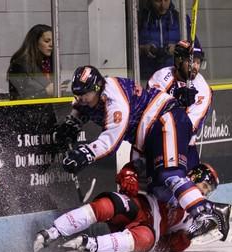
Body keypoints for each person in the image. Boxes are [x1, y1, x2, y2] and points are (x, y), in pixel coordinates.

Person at [55, 65, 217, 229]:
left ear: (97, 88)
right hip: (148, 134)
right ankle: (175, 225)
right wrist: (72, 123)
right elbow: (81, 106)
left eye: (84, 94)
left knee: (170, 174)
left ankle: (206, 212)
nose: (81, 98)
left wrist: (85, 154)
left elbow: (111, 141)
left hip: (164, 121)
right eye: (78, 94)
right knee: (154, 189)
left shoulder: (115, 102)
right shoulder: (92, 95)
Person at [33, 163, 232, 252]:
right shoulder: (172, 175)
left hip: (149, 231)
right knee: (106, 206)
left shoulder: (193, 217)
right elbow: (136, 167)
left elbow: (168, 245)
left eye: (208, 191)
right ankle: (54, 231)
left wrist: (185, 239)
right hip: (140, 206)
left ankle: (90, 244)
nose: (204, 193)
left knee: (145, 240)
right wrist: (128, 174)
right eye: (204, 187)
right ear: (194, 177)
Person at [147, 40, 212, 170]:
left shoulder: (203, 88)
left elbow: (190, 127)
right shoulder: (160, 77)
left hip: (186, 147)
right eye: (191, 61)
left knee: (190, 186)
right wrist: (176, 102)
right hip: (158, 142)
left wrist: (181, 109)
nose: (195, 67)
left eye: (198, 62)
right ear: (178, 61)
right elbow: (150, 113)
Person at [7, 24, 55, 99]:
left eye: (54, 41)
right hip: (30, 109)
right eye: (47, 41)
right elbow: (18, 98)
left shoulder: (51, 63)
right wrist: (46, 92)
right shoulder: (20, 65)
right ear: (35, 42)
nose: (51, 44)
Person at [138, 0, 180, 81]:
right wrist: (143, 49)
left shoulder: (179, 18)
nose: (163, 5)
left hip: (173, 76)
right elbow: (126, 51)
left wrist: (177, 48)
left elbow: (194, 49)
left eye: (166, 0)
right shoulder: (139, 19)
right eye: (158, 1)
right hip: (146, 77)